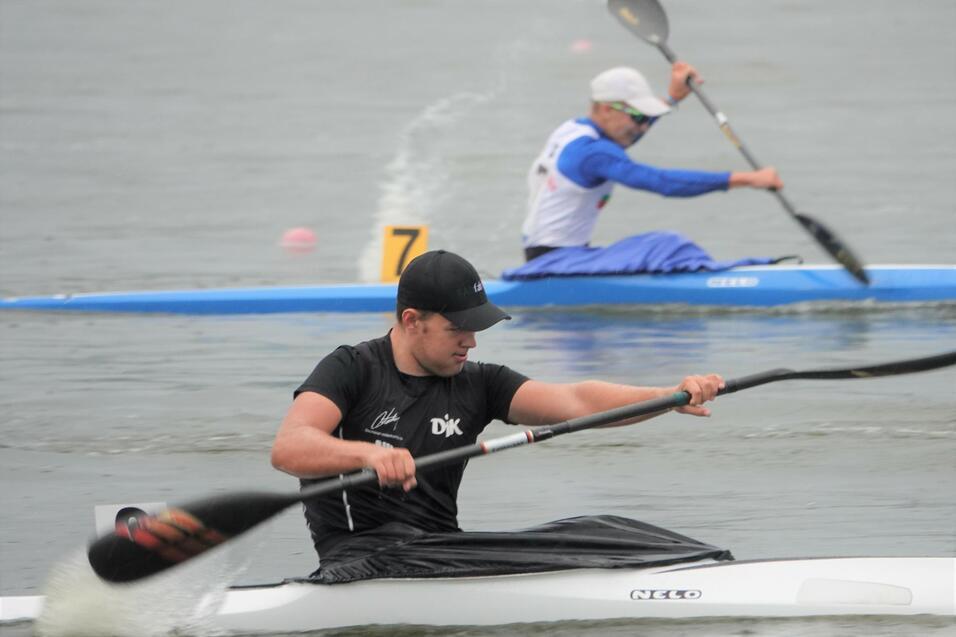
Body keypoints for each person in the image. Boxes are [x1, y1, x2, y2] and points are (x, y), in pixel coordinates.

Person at [271, 249, 725, 575]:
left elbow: (578, 402)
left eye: (476, 329)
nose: (471, 342)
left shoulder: (480, 382)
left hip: (443, 552)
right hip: (360, 559)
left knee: (603, 528)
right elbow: (291, 447)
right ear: (412, 321)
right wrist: (366, 456)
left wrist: (669, 395)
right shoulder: (352, 368)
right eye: (458, 330)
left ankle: (699, 576)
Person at [522, 63, 784, 262]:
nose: (643, 126)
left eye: (647, 117)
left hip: (551, 257)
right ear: (606, 109)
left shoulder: (573, 130)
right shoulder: (594, 154)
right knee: (668, 246)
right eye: (638, 116)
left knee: (661, 247)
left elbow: (623, 138)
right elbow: (662, 183)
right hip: (557, 264)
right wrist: (747, 179)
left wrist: (672, 99)